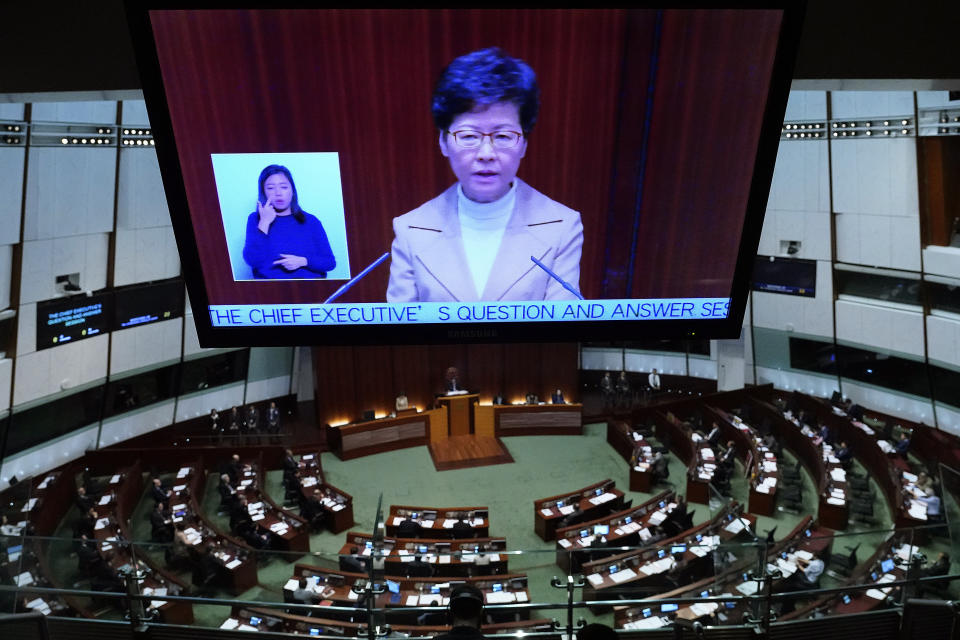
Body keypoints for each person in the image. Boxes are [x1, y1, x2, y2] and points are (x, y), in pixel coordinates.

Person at [386, 47, 582, 303]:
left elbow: (561, 332)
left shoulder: (562, 226)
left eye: (503, 136)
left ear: (523, 144)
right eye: (469, 136)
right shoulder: (410, 228)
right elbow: (401, 334)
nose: (486, 153)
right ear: (444, 143)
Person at [242, 164, 336, 279]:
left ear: (292, 190)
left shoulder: (311, 221)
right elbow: (253, 260)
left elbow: (329, 262)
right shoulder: (255, 219)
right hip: (271, 290)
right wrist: (265, 223)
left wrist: (304, 261)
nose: (278, 193)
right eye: (270, 188)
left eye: (284, 187)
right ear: (263, 192)